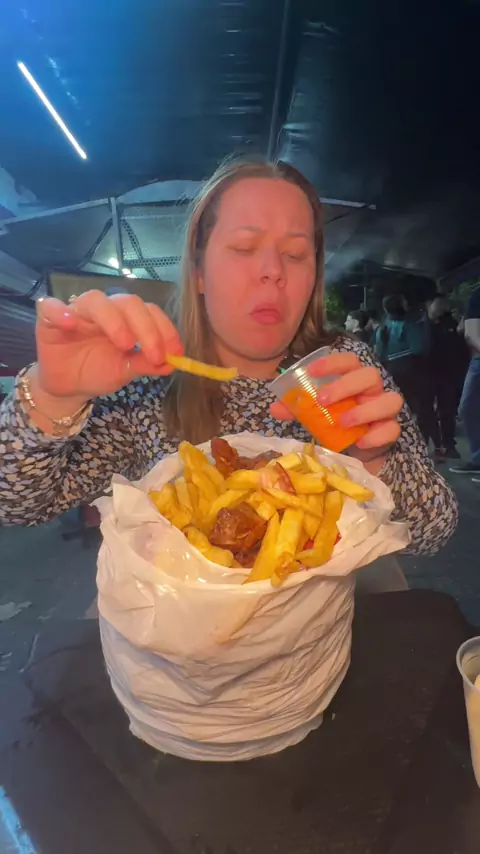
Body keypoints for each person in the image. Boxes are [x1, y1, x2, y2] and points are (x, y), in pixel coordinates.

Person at [0, 158, 457, 563]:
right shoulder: (146, 377)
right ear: (199, 271)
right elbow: (16, 505)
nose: (273, 271)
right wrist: (53, 394)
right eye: (243, 248)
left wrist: (373, 462)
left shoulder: (342, 365)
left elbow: (433, 532)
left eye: (296, 254)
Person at [375, 294, 431, 431]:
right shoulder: (409, 326)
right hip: (410, 371)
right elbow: (418, 348)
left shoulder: (382, 328)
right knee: (417, 408)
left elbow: (378, 352)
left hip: (390, 371)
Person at [427, 297, 469, 461]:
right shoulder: (454, 326)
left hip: (434, 373)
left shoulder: (430, 327)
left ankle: (437, 445)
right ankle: (449, 444)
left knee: (429, 411)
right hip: (452, 375)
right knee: (447, 411)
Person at [450, 285, 480, 476]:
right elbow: (470, 333)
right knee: (468, 408)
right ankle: (478, 458)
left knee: (469, 408)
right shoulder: (478, 296)